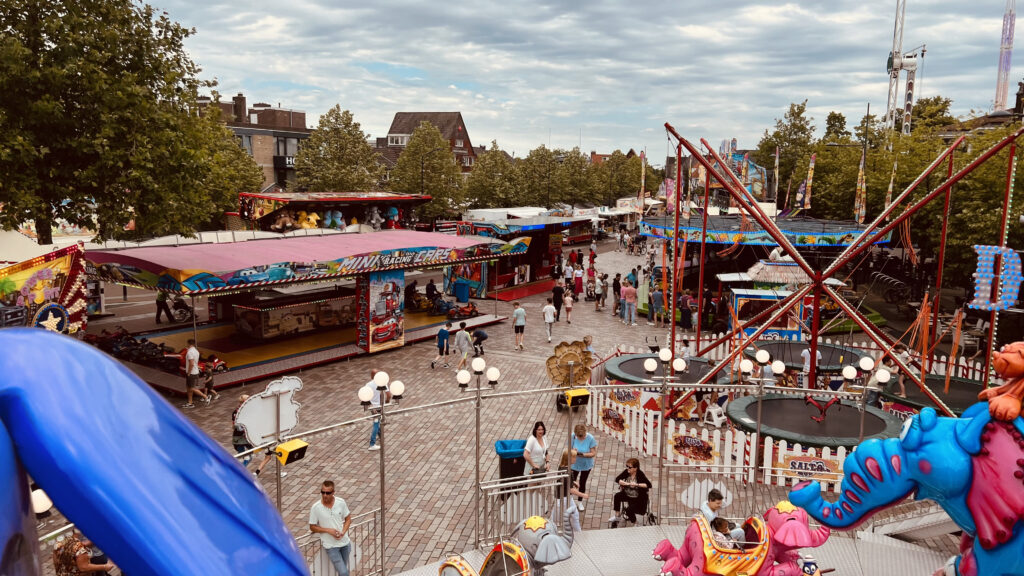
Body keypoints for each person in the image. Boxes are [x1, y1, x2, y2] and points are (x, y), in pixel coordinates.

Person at [309, 480, 352, 576]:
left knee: (343, 572)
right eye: (322, 492)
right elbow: (312, 527)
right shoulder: (316, 507)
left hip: (345, 543)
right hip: (331, 546)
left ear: (333, 493)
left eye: (328, 493)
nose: (325, 495)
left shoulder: (340, 502)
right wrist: (328, 530)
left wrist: (343, 532)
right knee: (344, 572)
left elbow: (348, 519)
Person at [554, 449, 589, 534]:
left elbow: (566, 481)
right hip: (564, 497)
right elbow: (570, 489)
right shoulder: (568, 471)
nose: (576, 459)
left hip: (563, 496)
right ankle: (576, 532)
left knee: (574, 514)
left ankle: (578, 531)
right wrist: (582, 495)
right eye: (574, 457)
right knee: (557, 518)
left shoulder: (561, 467)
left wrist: (573, 482)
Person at [609, 458, 651, 526]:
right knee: (617, 496)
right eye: (627, 466)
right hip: (627, 494)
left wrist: (637, 485)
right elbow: (617, 479)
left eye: (630, 467)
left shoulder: (640, 474)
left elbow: (649, 485)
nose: (628, 468)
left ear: (635, 468)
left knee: (629, 510)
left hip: (638, 497)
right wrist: (627, 484)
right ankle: (617, 516)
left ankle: (635, 522)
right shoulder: (627, 472)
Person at [569, 424, 597, 511]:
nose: (581, 437)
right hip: (574, 463)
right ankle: (570, 500)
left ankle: (580, 502)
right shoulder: (572, 437)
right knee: (571, 481)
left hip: (586, 464)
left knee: (582, 482)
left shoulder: (590, 438)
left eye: (583, 436)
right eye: (579, 436)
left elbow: (593, 453)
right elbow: (569, 449)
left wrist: (582, 454)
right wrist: (573, 452)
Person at [182, 339, 210, 409]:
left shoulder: (190, 352)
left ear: (189, 344)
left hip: (191, 373)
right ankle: (190, 402)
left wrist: (188, 372)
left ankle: (205, 397)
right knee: (189, 388)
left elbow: (191, 363)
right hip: (195, 371)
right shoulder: (196, 351)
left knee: (192, 388)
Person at [368, 369, 391, 451]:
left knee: (377, 422)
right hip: (380, 407)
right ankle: (372, 443)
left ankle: (381, 437)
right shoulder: (383, 383)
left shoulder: (368, 385)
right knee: (376, 424)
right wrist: (387, 402)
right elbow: (388, 395)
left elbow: (366, 397)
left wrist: (371, 407)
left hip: (373, 408)